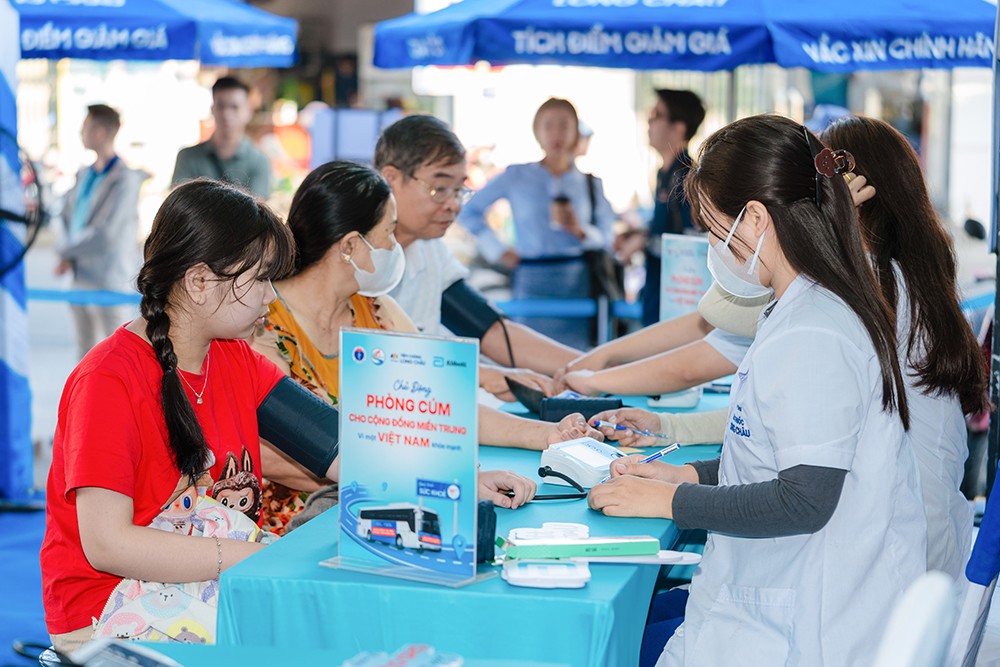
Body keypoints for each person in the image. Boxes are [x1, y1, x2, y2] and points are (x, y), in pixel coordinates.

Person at [39, 179, 535, 654]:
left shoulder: (233, 357)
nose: (271, 296)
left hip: (210, 578)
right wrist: (261, 560)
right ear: (199, 282)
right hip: (105, 611)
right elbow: (108, 544)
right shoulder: (108, 379)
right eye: (259, 279)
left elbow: (340, 446)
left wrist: (456, 482)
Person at [589, 115, 925, 665]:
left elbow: (805, 499)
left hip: (809, 624)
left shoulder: (814, 330)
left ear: (755, 218)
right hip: (783, 600)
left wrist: (670, 501)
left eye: (712, 226)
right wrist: (686, 474)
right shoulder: (800, 306)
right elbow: (774, 453)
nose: (711, 244)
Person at [251, 161, 587, 532]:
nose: (395, 247)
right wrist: (441, 482)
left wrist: (547, 435)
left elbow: (442, 406)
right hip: (302, 526)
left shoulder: (378, 312)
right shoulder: (263, 326)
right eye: (389, 233)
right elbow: (277, 456)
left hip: (392, 508)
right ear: (350, 246)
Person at [375, 114, 583, 400]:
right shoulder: (352, 255)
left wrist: (591, 367)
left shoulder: (429, 250)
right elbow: (366, 357)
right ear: (391, 179)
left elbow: (491, 332)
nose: (453, 205)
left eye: (459, 190)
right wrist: (482, 375)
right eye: (439, 189)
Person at [457, 98, 616, 350]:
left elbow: (608, 236)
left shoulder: (590, 183)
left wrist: (581, 231)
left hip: (577, 284)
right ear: (537, 132)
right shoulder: (517, 176)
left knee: (577, 357)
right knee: (529, 354)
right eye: (548, 125)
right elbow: (468, 211)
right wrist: (499, 251)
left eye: (564, 125)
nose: (556, 133)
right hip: (531, 280)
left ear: (575, 132)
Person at [55, 104, 145, 360]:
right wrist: (67, 252)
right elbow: (64, 216)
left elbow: (106, 233)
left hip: (109, 279)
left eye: (85, 127)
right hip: (78, 276)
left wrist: (66, 251)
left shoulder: (125, 179)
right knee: (84, 353)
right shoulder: (85, 174)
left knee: (117, 354)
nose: (81, 132)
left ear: (101, 132)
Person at [642, 90, 706, 327]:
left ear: (679, 128)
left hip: (677, 301)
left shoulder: (688, 179)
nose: (649, 121)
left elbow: (693, 242)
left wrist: (643, 241)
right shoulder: (664, 175)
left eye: (657, 114)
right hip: (659, 292)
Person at [171, 77, 272, 199]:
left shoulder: (259, 161)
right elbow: (177, 203)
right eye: (221, 106)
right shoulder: (187, 157)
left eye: (234, 107)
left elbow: (259, 206)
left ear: (248, 112)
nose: (226, 114)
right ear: (212, 110)